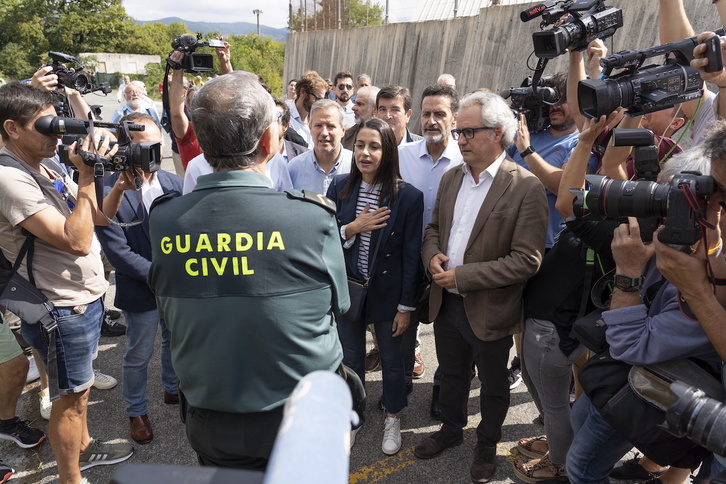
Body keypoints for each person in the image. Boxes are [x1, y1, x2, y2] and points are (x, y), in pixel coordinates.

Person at [147, 71, 349, 470]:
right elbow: (338, 306)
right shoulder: (310, 218)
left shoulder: (165, 220)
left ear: (201, 144)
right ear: (270, 142)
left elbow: (170, 312)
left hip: (211, 419)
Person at [0, 82, 134, 484]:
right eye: (46, 126)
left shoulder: (48, 163)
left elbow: (93, 219)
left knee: (81, 392)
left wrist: (119, 187)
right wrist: (88, 172)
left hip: (85, 299)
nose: (58, 135)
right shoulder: (9, 177)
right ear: (12, 128)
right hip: (60, 307)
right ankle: (70, 478)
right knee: (70, 400)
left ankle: (85, 445)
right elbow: (76, 240)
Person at [413, 91, 548, 483]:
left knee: (492, 385)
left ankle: (486, 444)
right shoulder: (453, 176)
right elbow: (434, 229)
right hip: (446, 302)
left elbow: (527, 260)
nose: (462, 140)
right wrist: (432, 256)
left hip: (490, 309)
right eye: (460, 132)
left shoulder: (526, 187)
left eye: (470, 131)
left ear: (499, 133)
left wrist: (464, 276)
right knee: (452, 375)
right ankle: (451, 431)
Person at [514, 113, 620, 482]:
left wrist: (587, 142)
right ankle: (558, 445)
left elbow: (566, 201)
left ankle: (558, 464)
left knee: (554, 405)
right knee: (545, 395)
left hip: (555, 331)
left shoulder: (617, 231)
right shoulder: (611, 221)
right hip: (549, 324)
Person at [326, 117, 424, 456]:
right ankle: (353, 416)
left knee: (393, 362)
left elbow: (412, 255)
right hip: (350, 292)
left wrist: (406, 307)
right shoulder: (339, 187)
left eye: (374, 146)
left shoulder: (408, 197)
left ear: (388, 151)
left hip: (389, 295)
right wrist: (352, 228)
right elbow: (323, 242)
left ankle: (393, 415)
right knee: (350, 360)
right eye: (360, 146)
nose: (365, 153)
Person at [95, 112, 182, 445]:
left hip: (174, 289)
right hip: (141, 290)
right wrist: (161, 276)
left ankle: (173, 389)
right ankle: (136, 411)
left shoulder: (175, 185)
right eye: (143, 148)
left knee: (175, 343)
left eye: (156, 147)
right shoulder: (109, 190)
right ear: (126, 148)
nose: (151, 155)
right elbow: (117, 252)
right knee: (137, 355)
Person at [397, 84, 463, 418]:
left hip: (447, 262)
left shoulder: (466, 160)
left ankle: (442, 389)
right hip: (407, 259)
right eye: (426, 114)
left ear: (454, 119)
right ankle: (402, 378)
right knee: (404, 322)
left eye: (440, 114)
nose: (432, 121)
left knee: (447, 332)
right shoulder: (402, 157)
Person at [289, 99, 352, 195]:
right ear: (310, 128)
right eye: (318, 126)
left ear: (343, 130)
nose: (324, 133)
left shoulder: (356, 166)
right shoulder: (294, 168)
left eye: (331, 126)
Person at [289, 71, 328, 148]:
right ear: (303, 92)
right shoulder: (285, 118)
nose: (320, 104)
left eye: (322, 100)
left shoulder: (316, 119)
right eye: (318, 99)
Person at [343, 85, 380, 151]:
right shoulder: (346, 135)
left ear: (374, 109)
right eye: (355, 103)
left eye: (360, 104)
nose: (353, 108)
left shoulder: (386, 137)